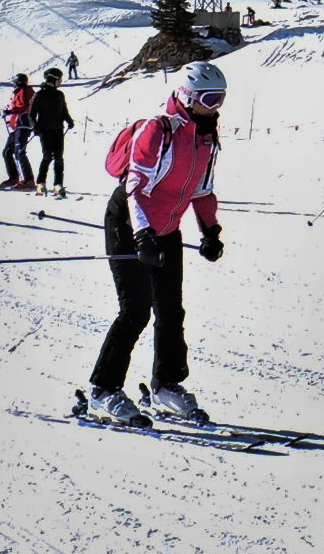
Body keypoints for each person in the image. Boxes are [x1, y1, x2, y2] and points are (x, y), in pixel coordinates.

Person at [85, 59, 228, 426]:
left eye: (220, 99)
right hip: (130, 221)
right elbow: (136, 189)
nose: (215, 108)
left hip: (165, 228)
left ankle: (166, 384)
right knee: (135, 311)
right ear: (187, 95)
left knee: (171, 311)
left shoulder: (205, 137)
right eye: (209, 99)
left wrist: (210, 232)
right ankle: (103, 391)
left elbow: (201, 189)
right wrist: (143, 234)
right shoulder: (157, 129)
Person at [31, 68, 73, 196]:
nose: (60, 82)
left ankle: (58, 185)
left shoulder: (59, 95)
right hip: (45, 131)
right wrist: (35, 127)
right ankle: (41, 183)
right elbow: (32, 114)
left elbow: (64, 111)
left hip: (58, 130)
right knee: (47, 156)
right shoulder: (40, 95)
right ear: (53, 80)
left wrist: (69, 121)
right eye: (59, 80)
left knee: (59, 158)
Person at [0, 73, 35, 189]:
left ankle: (29, 180)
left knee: (20, 152)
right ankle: (13, 178)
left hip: (24, 124)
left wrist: (11, 112)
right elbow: (17, 107)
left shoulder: (27, 91)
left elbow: (25, 106)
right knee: (7, 152)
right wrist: (10, 114)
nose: (14, 84)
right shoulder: (17, 92)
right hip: (16, 126)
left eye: (15, 82)